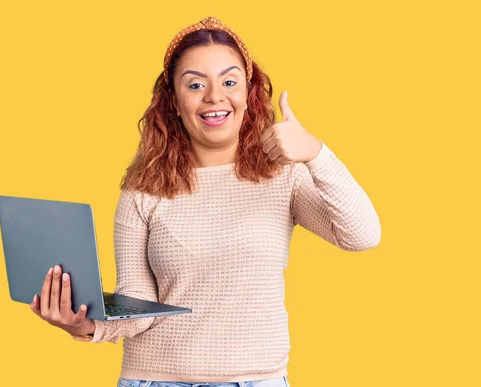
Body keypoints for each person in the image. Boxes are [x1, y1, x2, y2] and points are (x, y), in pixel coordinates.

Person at [29, 16, 381, 387]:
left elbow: (362, 235)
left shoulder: (283, 176)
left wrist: (316, 153)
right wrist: (84, 325)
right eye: (195, 84)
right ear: (174, 103)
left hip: (256, 381)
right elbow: (139, 305)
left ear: (248, 93)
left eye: (229, 82)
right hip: (154, 380)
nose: (215, 96)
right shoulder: (144, 187)